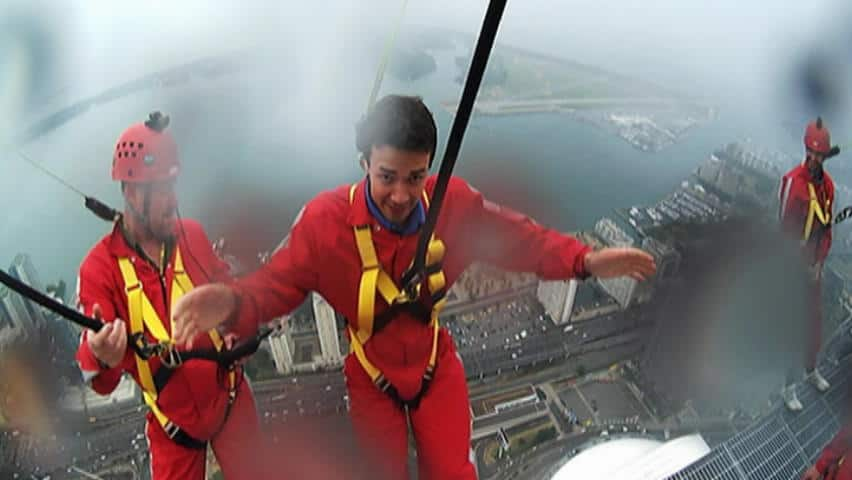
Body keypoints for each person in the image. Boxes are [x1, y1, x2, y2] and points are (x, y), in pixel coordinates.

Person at [172, 95, 656, 479]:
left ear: (429, 169)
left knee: (453, 472)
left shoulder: (452, 204)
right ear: (364, 163)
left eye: (416, 176)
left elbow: (520, 241)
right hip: (370, 377)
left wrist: (586, 261)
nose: (402, 194)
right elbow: (277, 284)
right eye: (387, 177)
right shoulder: (327, 224)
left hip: (433, 364)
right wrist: (232, 301)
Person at [75, 112, 265, 479]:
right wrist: (100, 354)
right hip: (173, 429)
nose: (170, 201)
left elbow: (231, 300)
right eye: (159, 190)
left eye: (171, 187)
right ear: (130, 193)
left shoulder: (191, 236)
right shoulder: (100, 269)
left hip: (230, 401)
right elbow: (100, 380)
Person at [779, 117, 838, 411]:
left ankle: (810, 370)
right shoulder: (794, 183)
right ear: (805, 150)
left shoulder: (828, 186)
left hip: (814, 268)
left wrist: (819, 263)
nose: (814, 158)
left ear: (825, 155)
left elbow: (827, 229)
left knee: (814, 325)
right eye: (811, 152)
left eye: (819, 154)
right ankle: (788, 387)